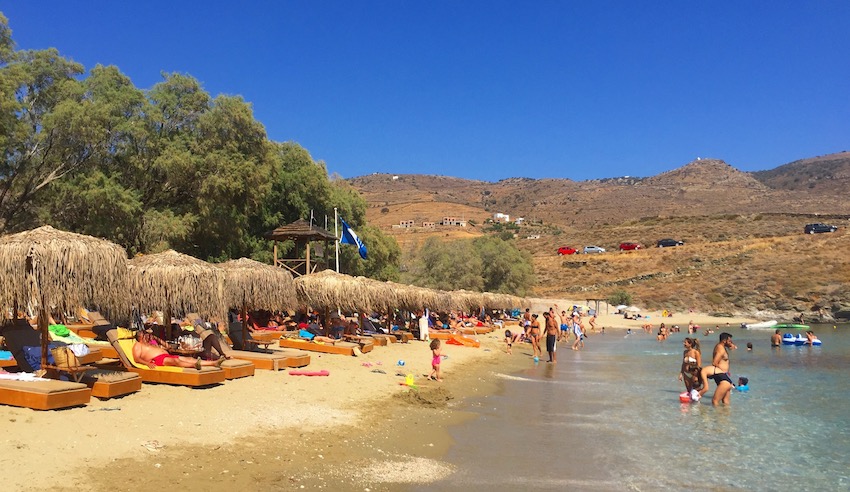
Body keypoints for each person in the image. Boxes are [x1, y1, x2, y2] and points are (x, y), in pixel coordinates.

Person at [133, 331, 224, 370]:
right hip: (157, 360)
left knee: (188, 359)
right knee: (176, 361)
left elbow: (167, 346)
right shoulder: (138, 345)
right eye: (144, 334)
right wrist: (147, 363)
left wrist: (155, 338)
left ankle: (213, 363)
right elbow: (136, 358)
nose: (147, 335)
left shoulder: (151, 343)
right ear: (139, 337)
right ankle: (194, 365)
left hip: (165, 356)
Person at [702, 332, 735, 406]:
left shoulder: (721, 347)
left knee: (725, 400)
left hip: (723, 375)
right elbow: (714, 362)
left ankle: (724, 416)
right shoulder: (721, 349)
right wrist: (722, 372)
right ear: (724, 340)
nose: (730, 342)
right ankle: (717, 415)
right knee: (715, 401)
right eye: (729, 341)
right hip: (721, 376)